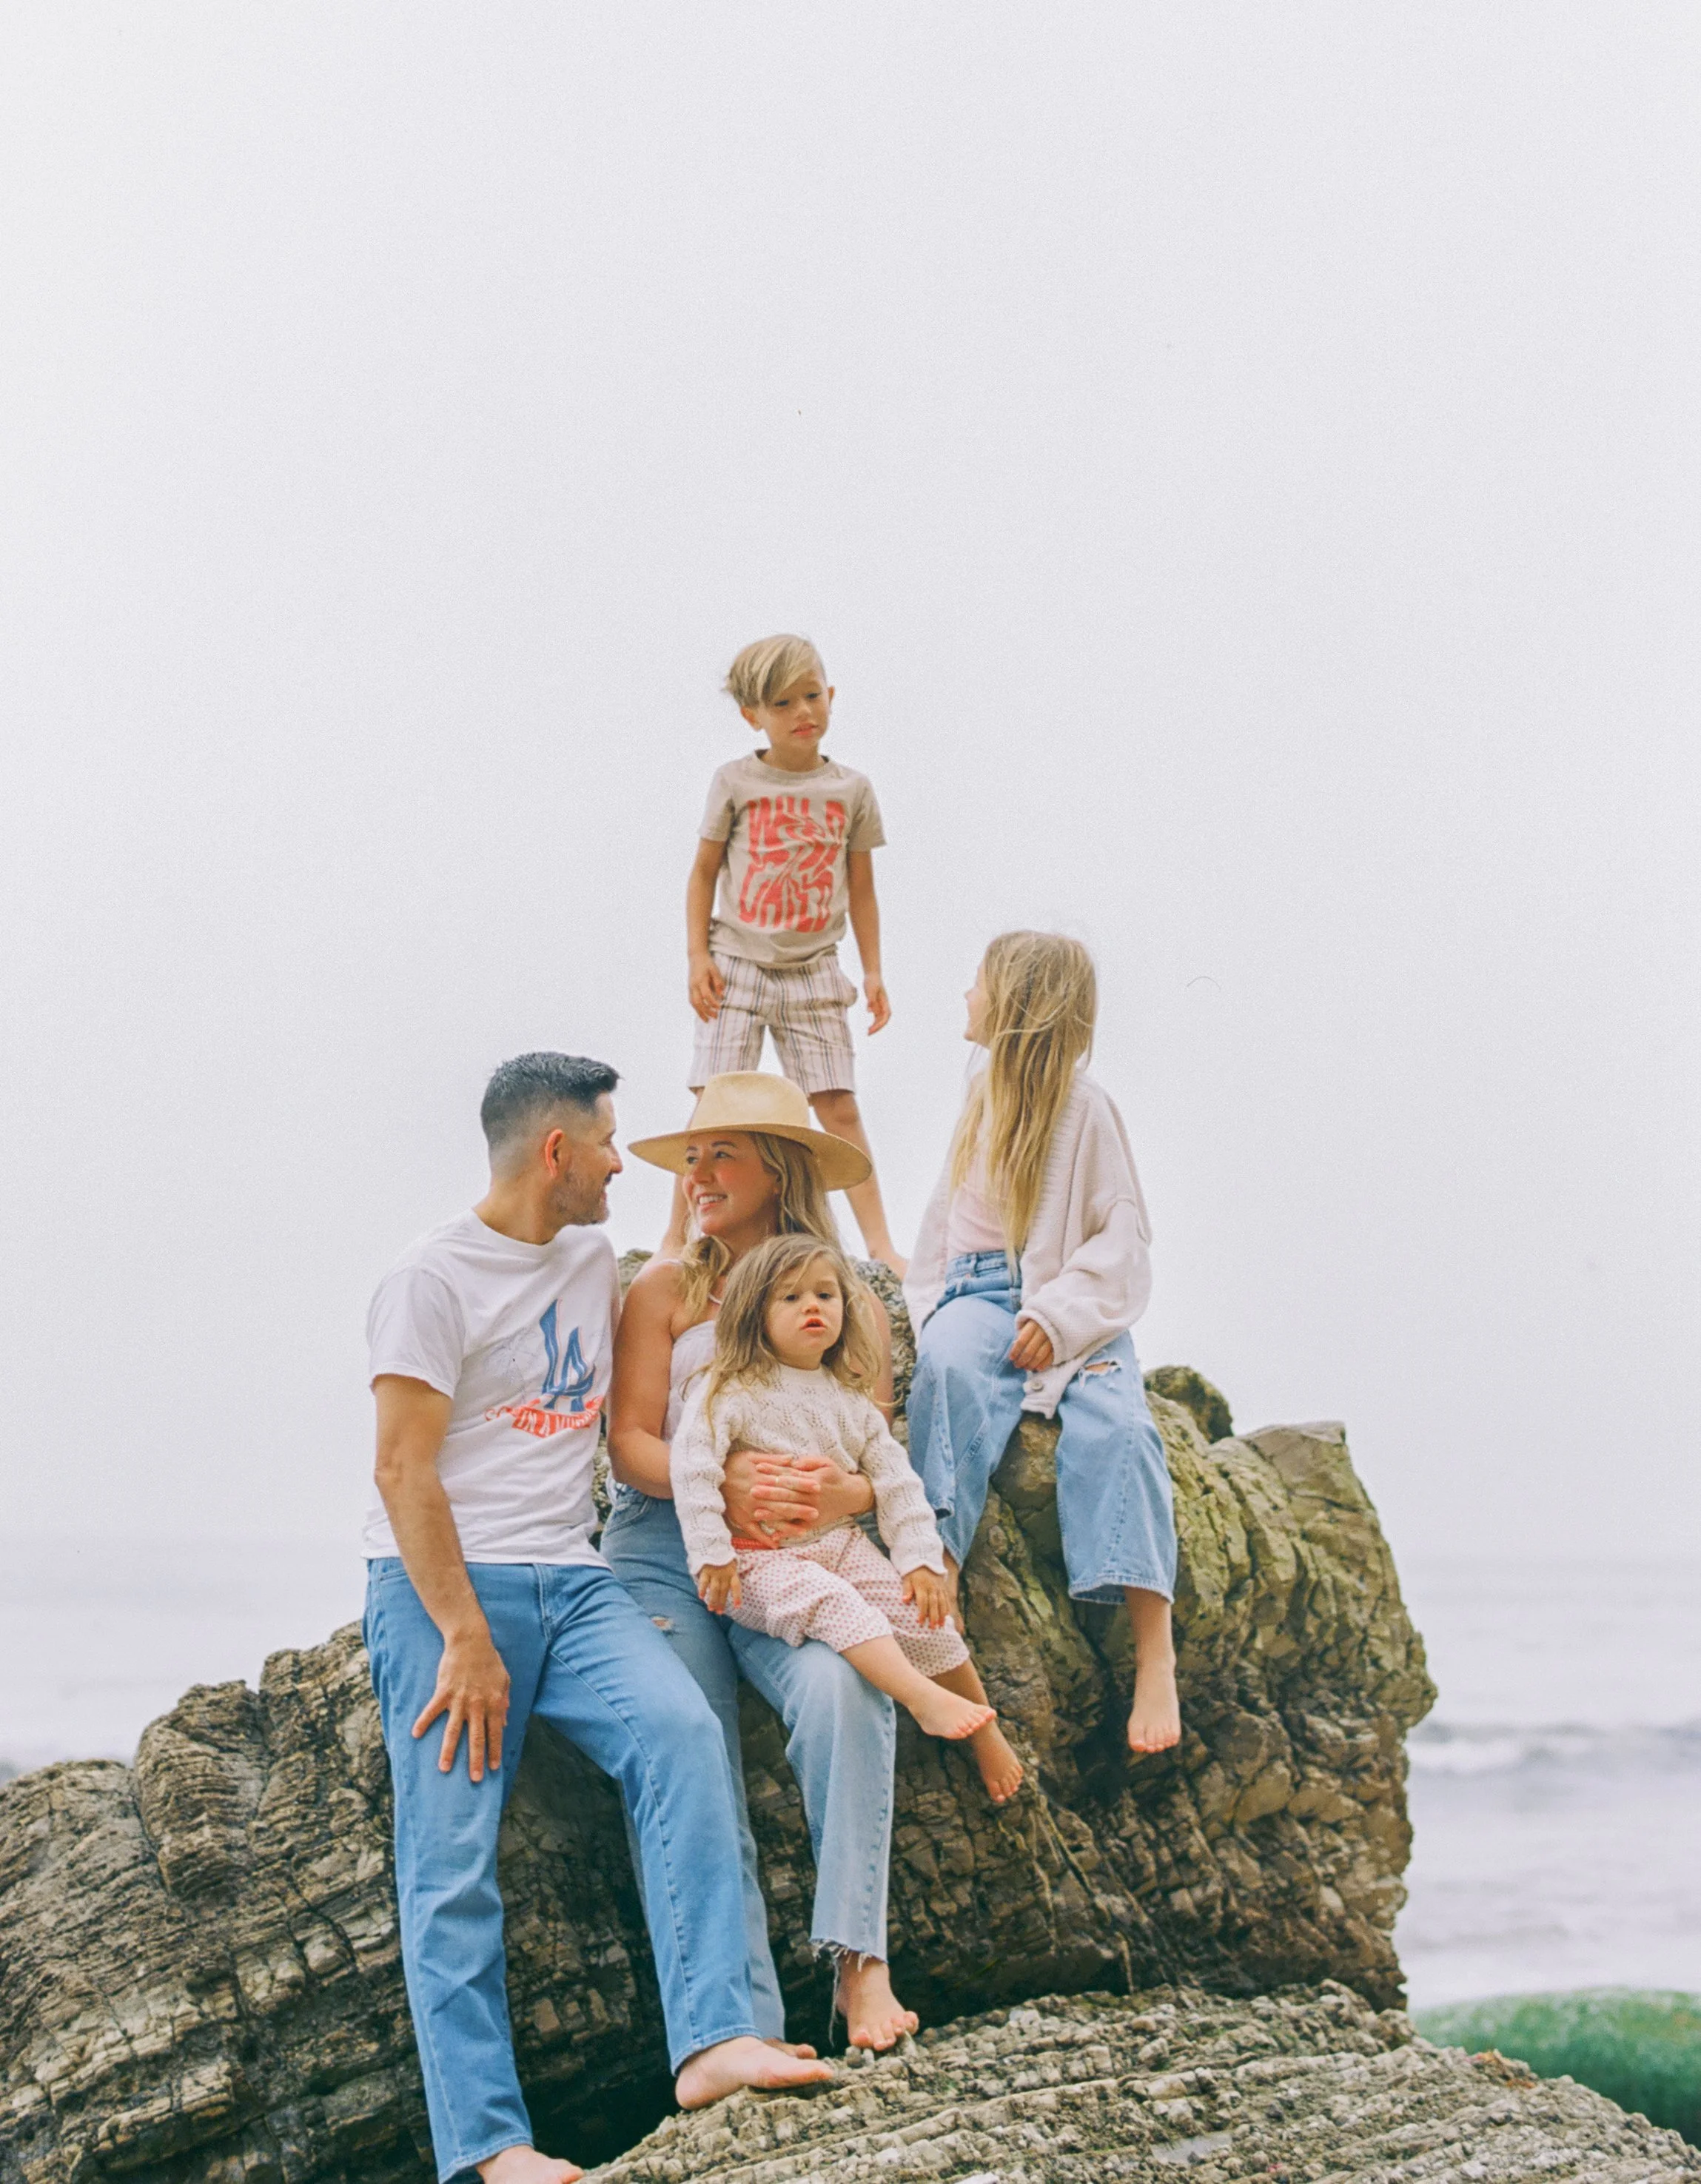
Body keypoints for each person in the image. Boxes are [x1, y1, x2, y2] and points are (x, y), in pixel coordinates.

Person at [362, 1054, 831, 2184]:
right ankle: (488, 2149)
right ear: (556, 1153)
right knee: (452, 1863)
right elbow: (400, 1471)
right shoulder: (429, 1280)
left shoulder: (589, 1259)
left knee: (680, 1734)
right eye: (612, 1142)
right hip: (445, 1591)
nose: (631, 1161)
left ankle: (717, 2037)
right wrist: (464, 1637)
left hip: (574, 1585)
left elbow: (699, 1235)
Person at [606, 1071, 919, 2051]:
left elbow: (877, 1458)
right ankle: (737, 2025)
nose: (697, 1172)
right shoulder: (663, 1287)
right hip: (669, 1542)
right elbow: (627, 1442)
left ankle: (861, 1968)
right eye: (691, 1155)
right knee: (692, 1743)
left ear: (779, 1168)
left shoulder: (842, 1295)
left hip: (798, 1548)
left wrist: (839, 1498)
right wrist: (728, 1480)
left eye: (719, 1152)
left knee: (845, 1690)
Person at [902, 934, 1183, 1759]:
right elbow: (950, 1213)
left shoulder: (1087, 1109)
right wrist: (934, 1291)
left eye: (978, 982)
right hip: (980, 1287)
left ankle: (1152, 1649)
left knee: (1122, 1430)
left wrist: (1059, 1315)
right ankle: (939, 1562)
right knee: (948, 1369)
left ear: (1017, 1004)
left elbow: (1121, 1238)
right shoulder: (978, 1087)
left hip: (1071, 1300)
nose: (965, 994)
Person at [672, 1233, 1024, 1803]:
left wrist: (919, 1562)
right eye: (789, 1298)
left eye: (826, 1294)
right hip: (759, 1562)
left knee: (923, 1617)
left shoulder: (851, 1399)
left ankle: (985, 1727)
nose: (812, 1306)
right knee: (836, 1604)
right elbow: (693, 1469)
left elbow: (897, 1482)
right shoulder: (727, 1389)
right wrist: (711, 1552)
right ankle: (920, 1697)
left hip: (839, 1544)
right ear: (754, 1313)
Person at [662, 632, 903, 1272]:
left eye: (813, 695)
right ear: (753, 716)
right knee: (714, 1106)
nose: (804, 712)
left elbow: (862, 889)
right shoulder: (737, 781)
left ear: (831, 695)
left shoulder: (850, 790)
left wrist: (873, 970)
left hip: (814, 967)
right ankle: (676, 1240)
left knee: (837, 1106)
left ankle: (879, 1245)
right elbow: (703, 872)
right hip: (735, 962)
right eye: (783, 703)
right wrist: (696, 957)